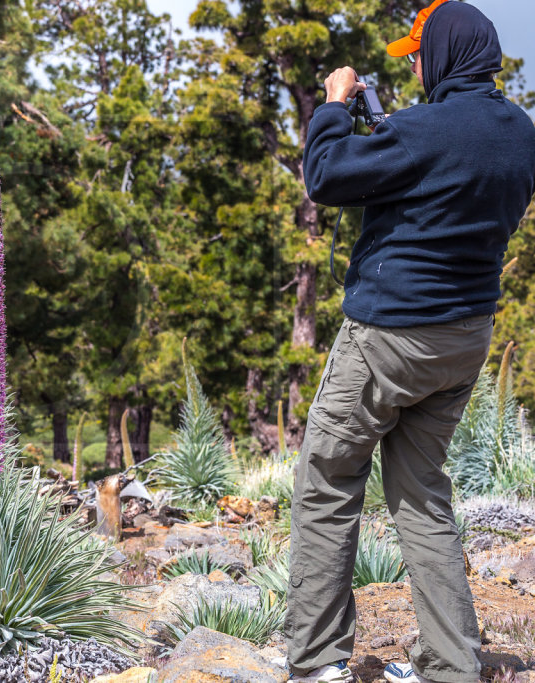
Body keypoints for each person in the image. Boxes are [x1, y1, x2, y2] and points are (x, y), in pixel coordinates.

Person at [282, 1, 535, 682]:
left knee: (329, 481)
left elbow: (328, 176)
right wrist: (385, 125)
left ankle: (315, 662)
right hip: (464, 340)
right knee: (421, 494)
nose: (415, 66)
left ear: (446, 52)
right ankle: (452, 665)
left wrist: (335, 106)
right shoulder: (521, 132)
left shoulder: (424, 130)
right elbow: (441, 166)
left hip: (389, 337)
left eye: (418, 54)